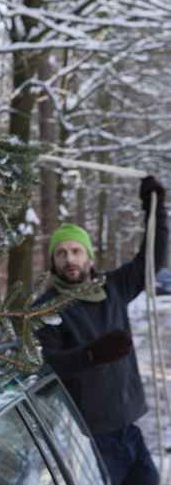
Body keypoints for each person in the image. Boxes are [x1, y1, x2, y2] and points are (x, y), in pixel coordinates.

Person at [35, 176, 167, 485]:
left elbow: (153, 258)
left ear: (89, 257)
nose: (70, 259)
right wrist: (91, 355)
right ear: (53, 261)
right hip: (91, 437)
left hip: (129, 426)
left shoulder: (114, 287)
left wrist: (155, 209)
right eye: (62, 253)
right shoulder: (46, 308)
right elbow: (48, 364)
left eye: (76, 251)